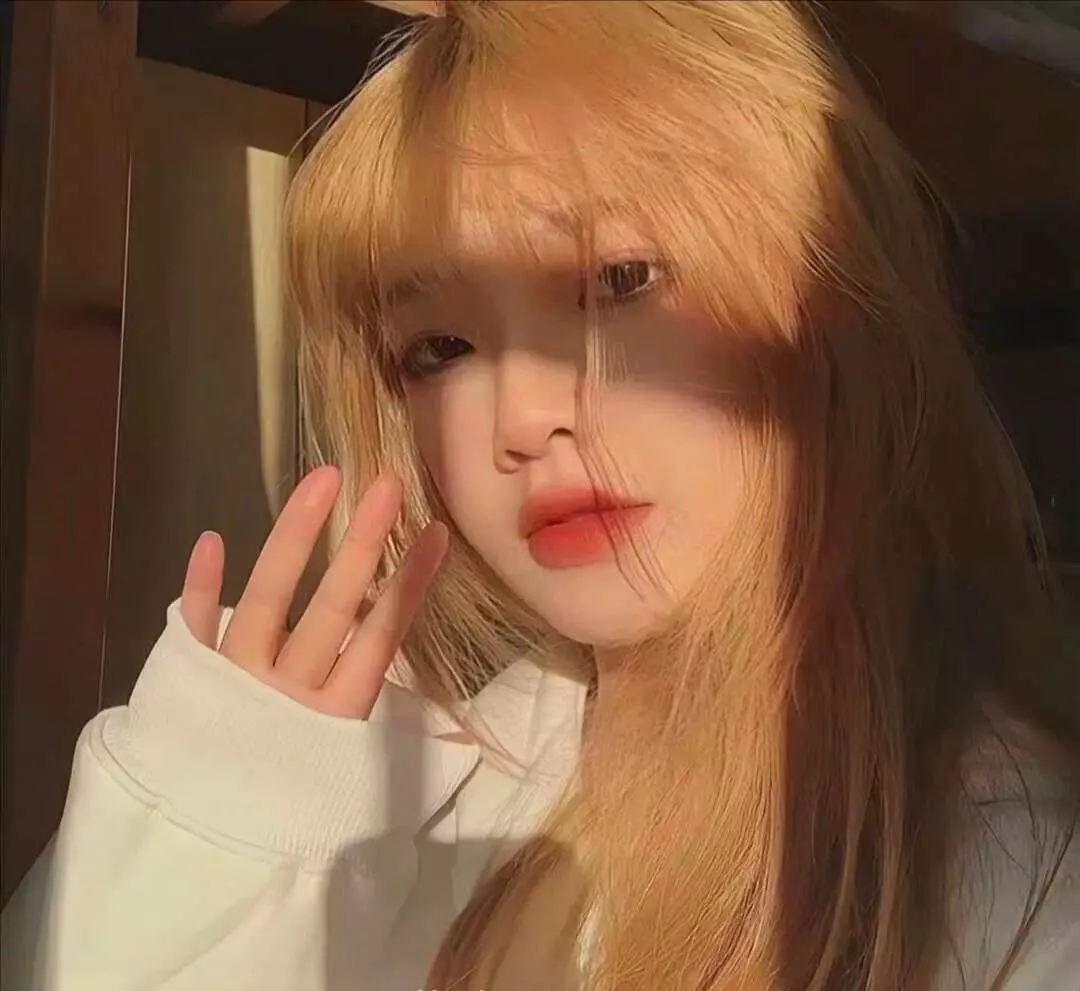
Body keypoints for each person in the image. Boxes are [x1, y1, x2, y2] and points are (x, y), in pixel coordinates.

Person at [2, 2, 1078, 989]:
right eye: (440, 347)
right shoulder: (358, 807)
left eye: (619, 279)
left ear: (833, 298)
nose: (521, 416)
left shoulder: (1026, 890)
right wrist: (208, 844)